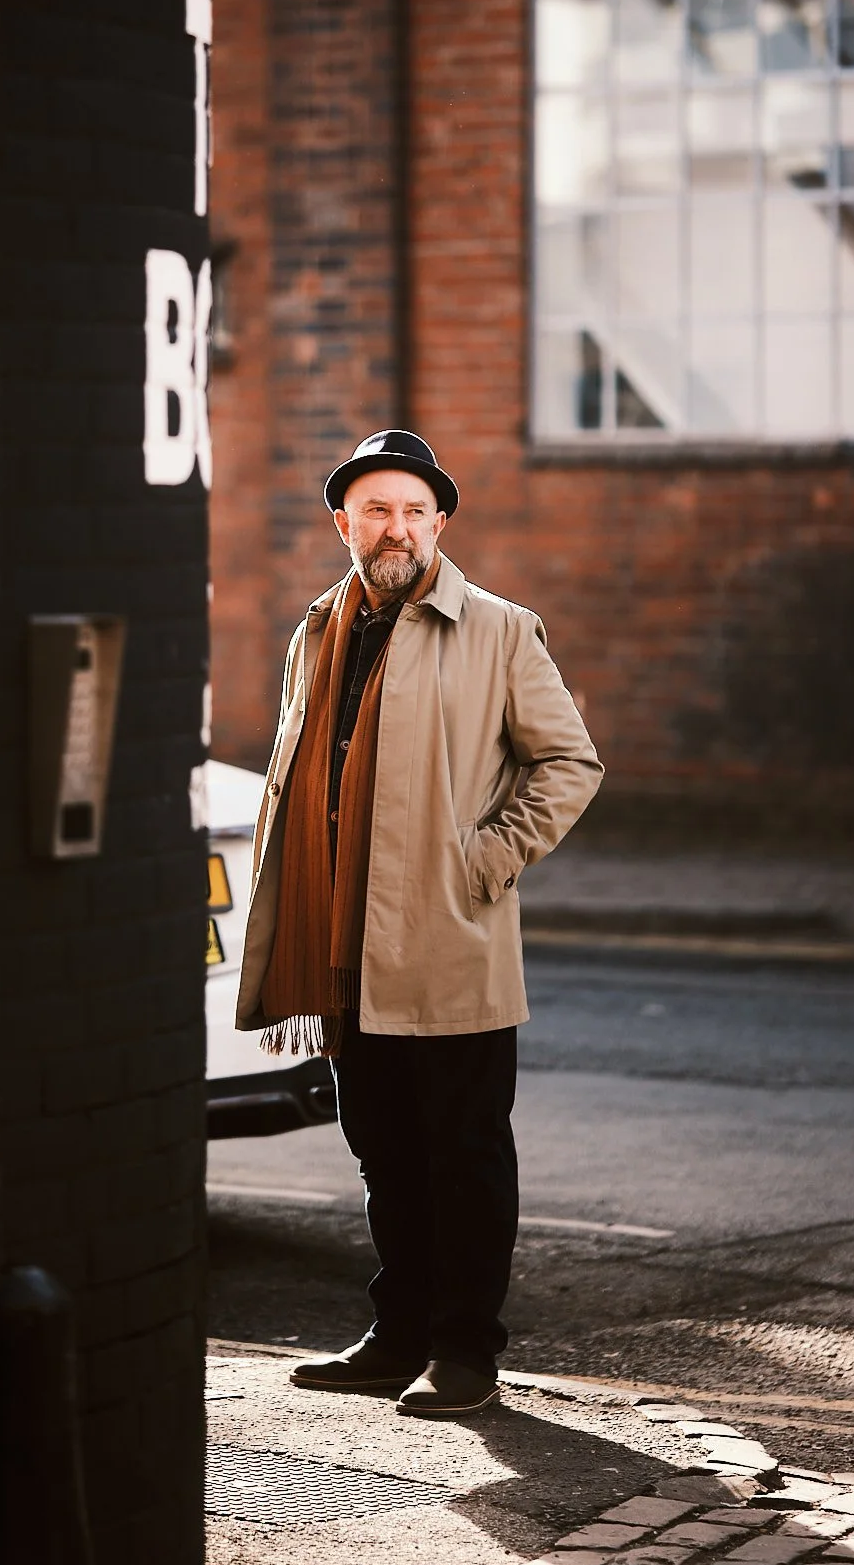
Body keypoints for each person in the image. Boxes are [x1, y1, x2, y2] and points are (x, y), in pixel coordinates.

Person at [235, 429, 603, 1417]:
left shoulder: (499, 629)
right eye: (375, 510)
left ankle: (464, 1349)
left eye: (413, 510)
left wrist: (482, 861)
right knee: (384, 1151)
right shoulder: (318, 629)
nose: (395, 527)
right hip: (343, 943)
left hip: (449, 942)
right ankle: (395, 1336)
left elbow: (569, 762)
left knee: (464, 1153)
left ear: (439, 523)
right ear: (343, 523)